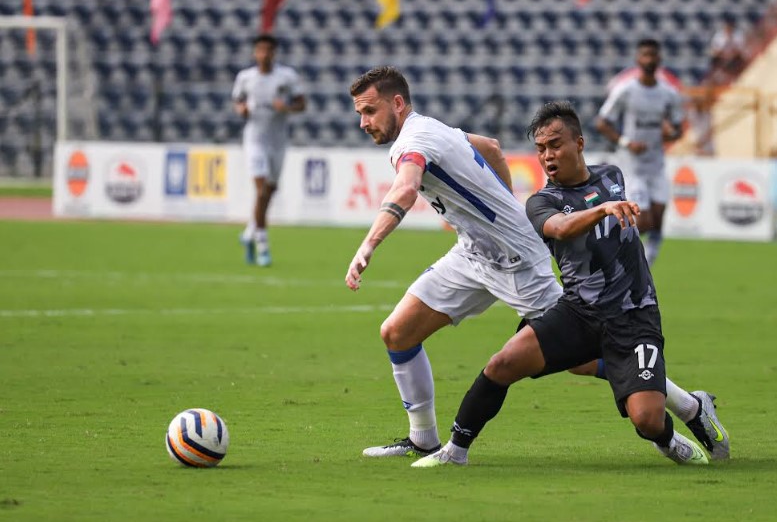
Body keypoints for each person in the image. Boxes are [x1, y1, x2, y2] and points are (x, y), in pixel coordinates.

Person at [346, 68, 729, 462]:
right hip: (472, 253)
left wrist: (369, 243)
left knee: (581, 357)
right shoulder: (433, 128)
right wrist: (504, 205)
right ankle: (423, 438)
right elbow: (492, 147)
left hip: (518, 261)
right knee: (397, 333)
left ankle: (688, 406)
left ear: (396, 103)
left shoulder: (412, 142)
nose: (364, 123)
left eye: (370, 111)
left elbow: (407, 187)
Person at [596, 38, 685, 266]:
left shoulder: (668, 94)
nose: (649, 59)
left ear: (659, 59)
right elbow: (602, 122)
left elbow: (677, 129)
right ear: (638, 59)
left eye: (653, 55)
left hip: (656, 165)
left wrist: (670, 133)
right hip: (632, 166)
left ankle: (646, 262)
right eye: (645, 55)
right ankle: (614, 246)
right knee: (644, 220)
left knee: (658, 218)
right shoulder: (626, 91)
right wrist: (626, 142)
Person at [232, 34, 306, 267]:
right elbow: (238, 102)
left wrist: (287, 107)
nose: (264, 54)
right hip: (254, 139)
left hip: (278, 141)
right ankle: (263, 246)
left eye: (268, 50)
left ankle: (248, 234)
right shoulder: (245, 78)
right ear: (255, 53)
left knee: (269, 191)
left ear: (274, 53)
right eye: (260, 50)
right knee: (262, 189)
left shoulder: (286, 77)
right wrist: (241, 109)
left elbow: (302, 104)